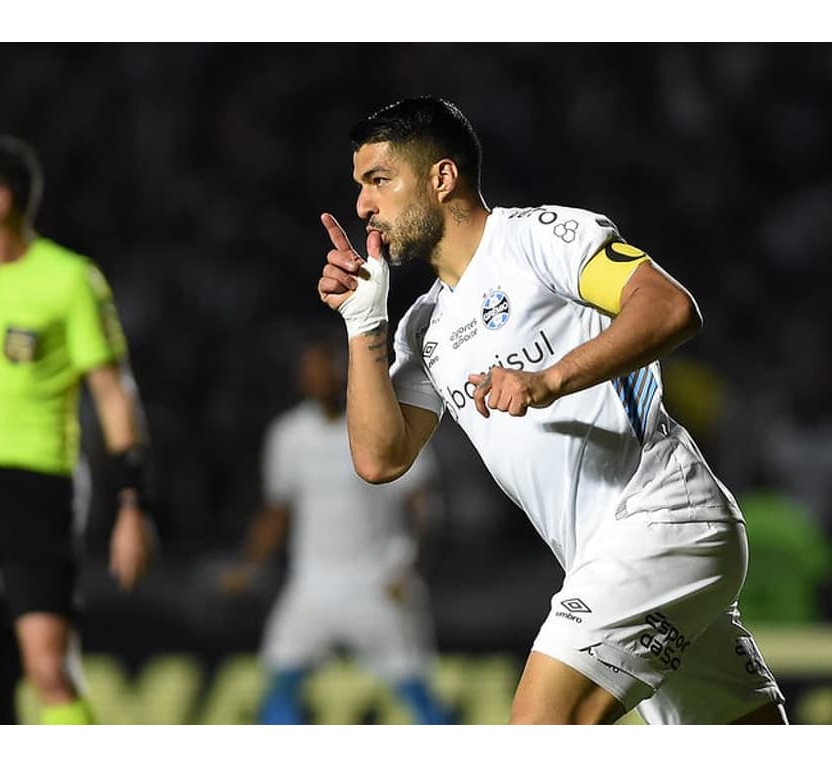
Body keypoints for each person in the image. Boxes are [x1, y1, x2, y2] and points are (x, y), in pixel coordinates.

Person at [316, 96, 788, 725]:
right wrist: (362, 325)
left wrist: (550, 379)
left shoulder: (538, 238)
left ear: (442, 177)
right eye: (360, 187)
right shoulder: (423, 327)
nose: (363, 205)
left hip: (660, 517)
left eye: (379, 181)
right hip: (610, 553)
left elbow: (670, 307)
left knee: (540, 727)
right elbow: (380, 457)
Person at [0, 134, 153, 725]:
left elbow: (115, 398)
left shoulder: (68, 280)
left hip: (33, 491)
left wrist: (132, 503)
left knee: (48, 670)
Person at [221, 335, 453, 725]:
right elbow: (278, 513)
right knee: (279, 684)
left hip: (376, 583)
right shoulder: (288, 436)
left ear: (342, 371)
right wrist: (248, 565)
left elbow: (423, 508)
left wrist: (406, 565)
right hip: (311, 586)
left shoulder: (381, 420)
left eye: (325, 369)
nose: (318, 379)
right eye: (309, 372)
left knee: (415, 691)